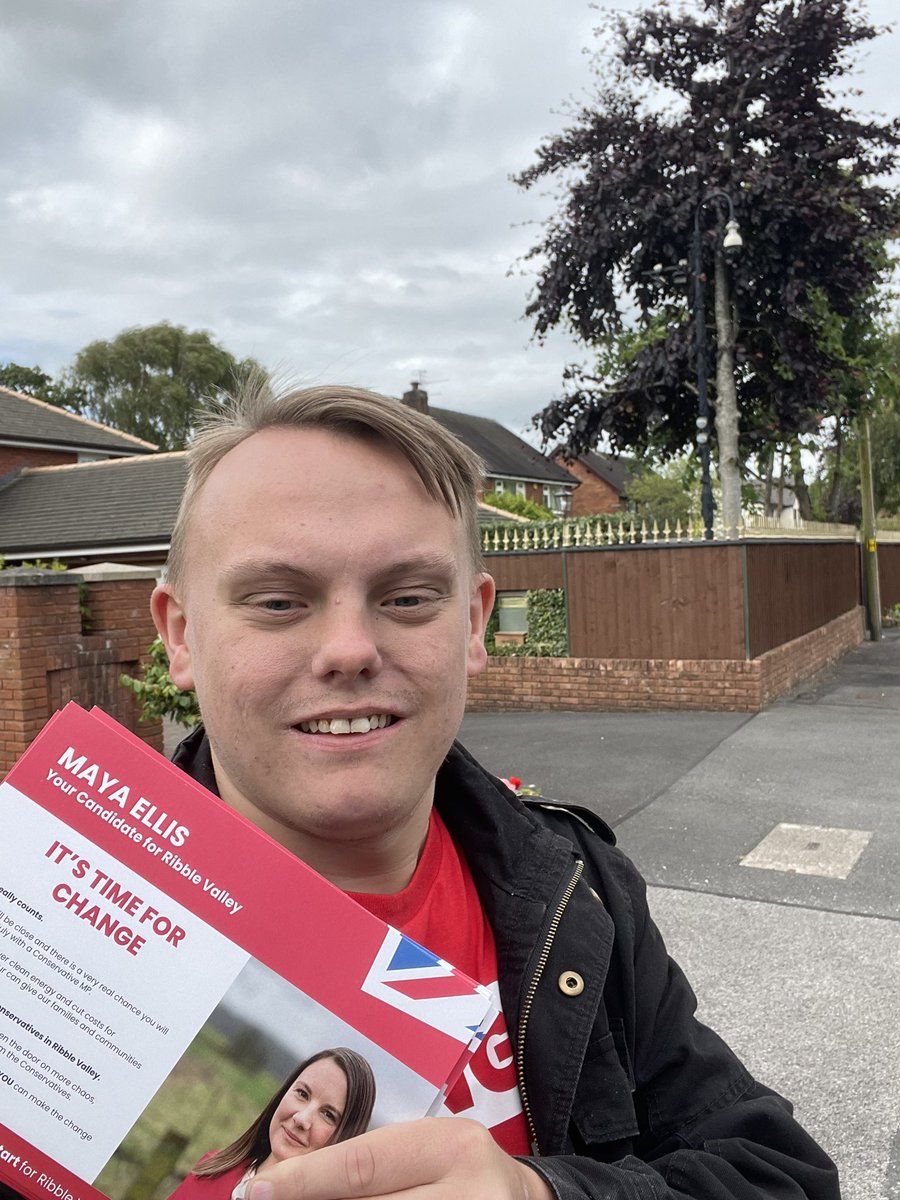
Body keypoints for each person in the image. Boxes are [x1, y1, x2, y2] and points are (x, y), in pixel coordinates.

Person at [147, 377, 841, 1200]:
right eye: (276, 601)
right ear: (181, 637)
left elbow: (779, 1175)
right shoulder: (32, 926)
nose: (348, 648)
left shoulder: (579, 891)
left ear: (474, 624)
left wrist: (547, 1195)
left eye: (407, 597)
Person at [169, 1048, 376, 1200]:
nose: (301, 1119)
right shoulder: (212, 1169)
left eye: (328, 1115)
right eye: (302, 1093)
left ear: (346, 1139)